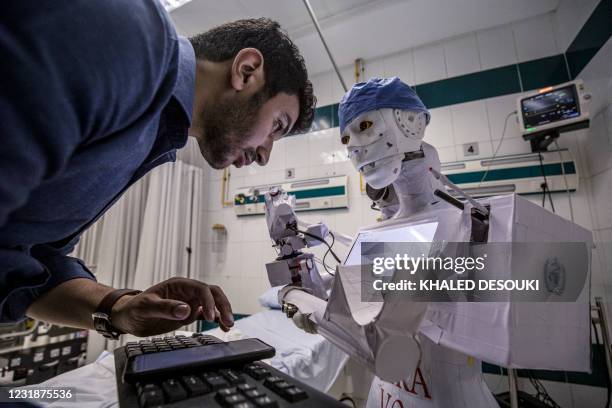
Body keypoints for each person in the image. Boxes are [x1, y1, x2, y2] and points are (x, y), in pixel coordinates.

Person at [0, 1, 315, 339]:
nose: (265, 155)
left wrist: (116, 308)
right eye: (277, 125)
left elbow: (27, 265)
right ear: (247, 71)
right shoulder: (131, 31)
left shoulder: (150, 138)